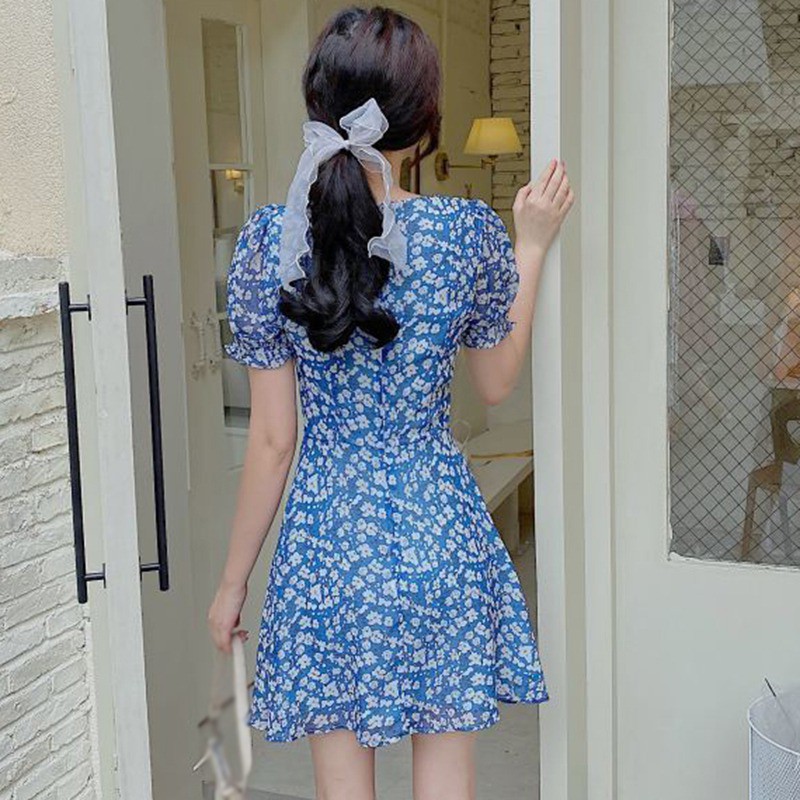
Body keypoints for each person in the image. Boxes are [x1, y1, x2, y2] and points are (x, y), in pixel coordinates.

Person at [207, 5, 574, 799]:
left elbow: (272, 441)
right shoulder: (465, 233)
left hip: (325, 550)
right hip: (439, 534)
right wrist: (532, 246)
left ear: (318, 107)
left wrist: (233, 584)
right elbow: (496, 384)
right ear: (422, 125)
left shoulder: (271, 242)